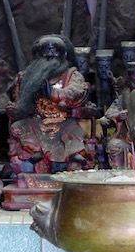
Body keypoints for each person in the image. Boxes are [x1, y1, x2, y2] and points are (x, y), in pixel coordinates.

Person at [7, 34, 92, 174]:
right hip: (36, 122)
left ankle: (73, 153)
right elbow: (18, 101)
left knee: (75, 130)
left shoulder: (72, 75)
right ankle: (34, 150)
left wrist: (54, 94)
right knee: (17, 127)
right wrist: (14, 109)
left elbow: (76, 92)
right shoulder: (25, 77)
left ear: (63, 55)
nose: (50, 59)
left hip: (63, 122)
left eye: (54, 54)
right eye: (45, 55)